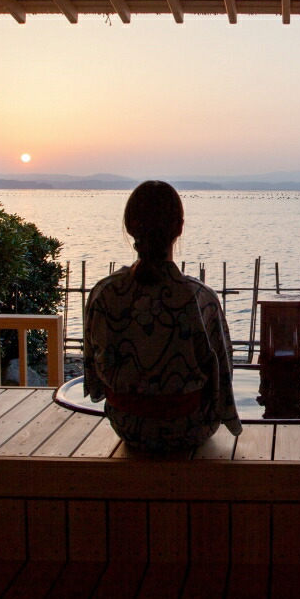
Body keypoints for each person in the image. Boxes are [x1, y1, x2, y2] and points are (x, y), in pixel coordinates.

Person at [83, 181, 241, 449]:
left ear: (130, 227)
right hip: (191, 427)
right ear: (179, 227)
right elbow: (222, 379)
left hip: (127, 425)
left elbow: (94, 381)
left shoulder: (105, 293)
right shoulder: (200, 298)